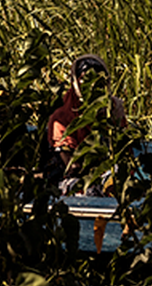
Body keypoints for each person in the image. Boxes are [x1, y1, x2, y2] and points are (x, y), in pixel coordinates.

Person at [43, 54, 128, 190]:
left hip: (104, 171)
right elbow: (71, 165)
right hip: (70, 174)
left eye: (98, 80)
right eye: (85, 79)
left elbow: (124, 150)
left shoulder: (113, 108)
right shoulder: (62, 117)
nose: (93, 85)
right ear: (75, 82)